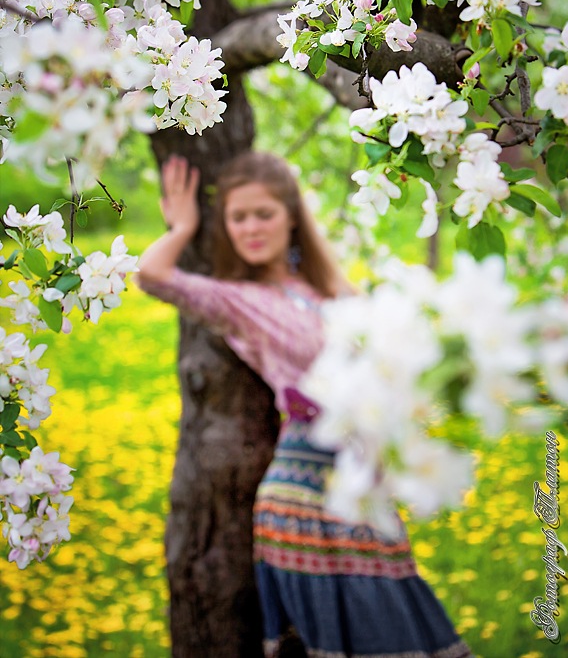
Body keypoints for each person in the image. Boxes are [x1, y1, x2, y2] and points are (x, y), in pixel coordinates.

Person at [137, 150, 472, 658]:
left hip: (361, 481)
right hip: (302, 492)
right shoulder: (242, 300)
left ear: (291, 216)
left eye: (263, 214)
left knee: (394, 626)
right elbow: (154, 275)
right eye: (238, 217)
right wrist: (183, 225)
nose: (250, 227)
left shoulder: (328, 288)